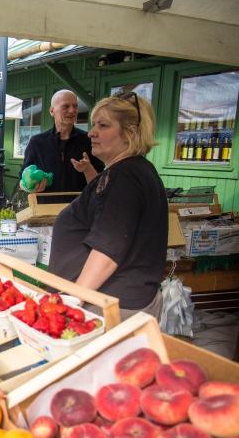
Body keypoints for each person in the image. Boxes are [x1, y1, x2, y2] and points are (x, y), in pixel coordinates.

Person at [48, 93, 167, 319]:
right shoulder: (133, 171)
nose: (92, 132)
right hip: (117, 301)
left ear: (130, 133)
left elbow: (108, 249)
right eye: (94, 124)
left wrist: (74, 299)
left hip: (108, 307)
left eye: (103, 125)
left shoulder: (126, 176)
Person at [19, 89, 103, 193]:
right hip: (45, 207)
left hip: (79, 207)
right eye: (66, 106)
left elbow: (101, 180)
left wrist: (88, 168)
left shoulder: (89, 140)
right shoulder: (37, 142)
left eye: (75, 106)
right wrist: (29, 186)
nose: (72, 110)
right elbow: (22, 178)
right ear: (52, 111)